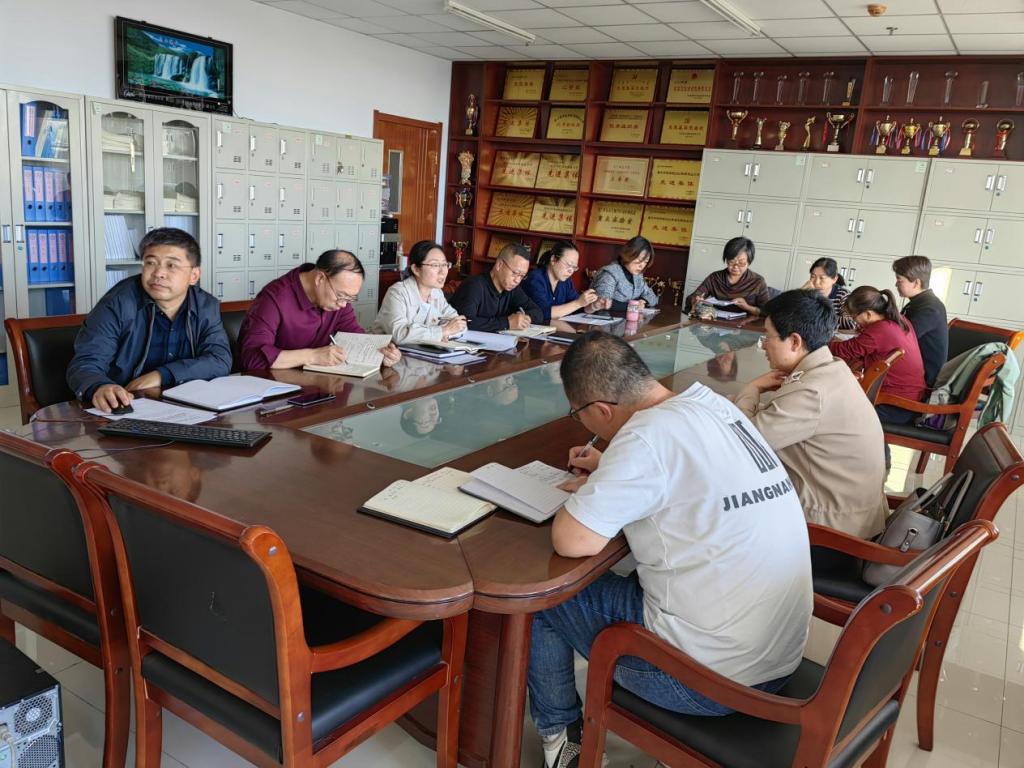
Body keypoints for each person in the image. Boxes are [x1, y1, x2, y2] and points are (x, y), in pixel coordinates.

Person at [529, 332, 812, 767]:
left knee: (544, 596)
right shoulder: (712, 405)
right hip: (778, 658)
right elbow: (695, 476)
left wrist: (595, 486)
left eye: (578, 414)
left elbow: (572, 541)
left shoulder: (644, 437)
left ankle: (562, 745)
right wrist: (609, 471)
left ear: (601, 409)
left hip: (706, 683)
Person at [735, 290, 888, 538]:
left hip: (831, 533)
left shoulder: (811, 390)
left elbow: (745, 442)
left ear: (795, 342)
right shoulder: (832, 368)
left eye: (768, 337)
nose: (764, 346)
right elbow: (778, 418)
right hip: (854, 515)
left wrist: (752, 387)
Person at [67, 227, 231, 413]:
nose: (158, 273)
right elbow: (86, 363)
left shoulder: (205, 306)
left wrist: (162, 375)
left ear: (194, 276)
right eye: (150, 263)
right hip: (127, 407)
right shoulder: (116, 304)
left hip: (186, 407)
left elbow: (219, 359)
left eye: (171, 265)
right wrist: (100, 386)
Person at [238, 249, 401, 370]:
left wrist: (381, 353)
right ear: (320, 278)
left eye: (350, 298)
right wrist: (313, 355)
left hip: (321, 385)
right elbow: (251, 359)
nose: (344, 305)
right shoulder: (274, 298)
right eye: (341, 296)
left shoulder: (338, 301)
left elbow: (355, 337)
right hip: (277, 390)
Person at [829, 286, 927, 427]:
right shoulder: (898, 319)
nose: (855, 322)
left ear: (868, 314)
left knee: (835, 414)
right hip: (911, 398)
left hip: (895, 406)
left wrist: (821, 340)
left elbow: (844, 350)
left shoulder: (880, 330)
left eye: (854, 317)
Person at [371, 240, 466, 345]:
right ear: (416, 269)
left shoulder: (437, 293)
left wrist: (445, 334)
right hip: (386, 351)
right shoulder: (397, 293)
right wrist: (442, 331)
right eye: (435, 265)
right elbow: (400, 334)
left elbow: (460, 324)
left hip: (421, 351)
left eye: (444, 264)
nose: (443, 271)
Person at [449, 243, 543, 332]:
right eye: (515, 273)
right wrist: (507, 323)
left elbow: (538, 312)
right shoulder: (474, 285)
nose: (517, 280)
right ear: (499, 265)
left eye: (522, 276)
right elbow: (465, 322)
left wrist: (526, 318)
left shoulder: (513, 289)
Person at [894, 255, 948, 387]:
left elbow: (900, 339)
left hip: (923, 381)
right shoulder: (919, 302)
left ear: (916, 283)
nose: (896, 284)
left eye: (899, 280)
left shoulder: (930, 308)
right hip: (912, 369)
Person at [521, 240, 606, 323]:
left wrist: (593, 305)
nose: (571, 271)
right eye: (569, 265)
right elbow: (542, 313)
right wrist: (579, 303)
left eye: (574, 267)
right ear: (553, 259)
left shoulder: (565, 281)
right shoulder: (535, 279)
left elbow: (576, 307)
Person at [686, 237, 770, 316]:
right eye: (731, 262)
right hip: (717, 322)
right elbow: (692, 297)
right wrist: (696, 300)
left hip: (746, 324)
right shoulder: (715, 278)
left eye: (741, 263)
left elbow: (766, 311)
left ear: (749, 262)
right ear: (726, 259)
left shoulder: (758, 281)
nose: (735, 267)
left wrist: (747, 307)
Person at [590, 236, 659, 311]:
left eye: (645, 262)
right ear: (628, 253)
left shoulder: (638, 276)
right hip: (603, 317)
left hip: (627, 317)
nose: (642, 265)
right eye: (639, 260)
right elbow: (602, 302)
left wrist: (643, 301)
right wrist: (634, 305)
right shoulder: (610, 273)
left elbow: (653, 299)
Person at [802, 257, 855, 330]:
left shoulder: (843, 294)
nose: (816, 282)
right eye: (813, 277)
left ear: (834, 279)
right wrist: (800, 294)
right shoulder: (808, 293)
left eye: (822, 278)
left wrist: (817, 318)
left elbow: (850, 323)